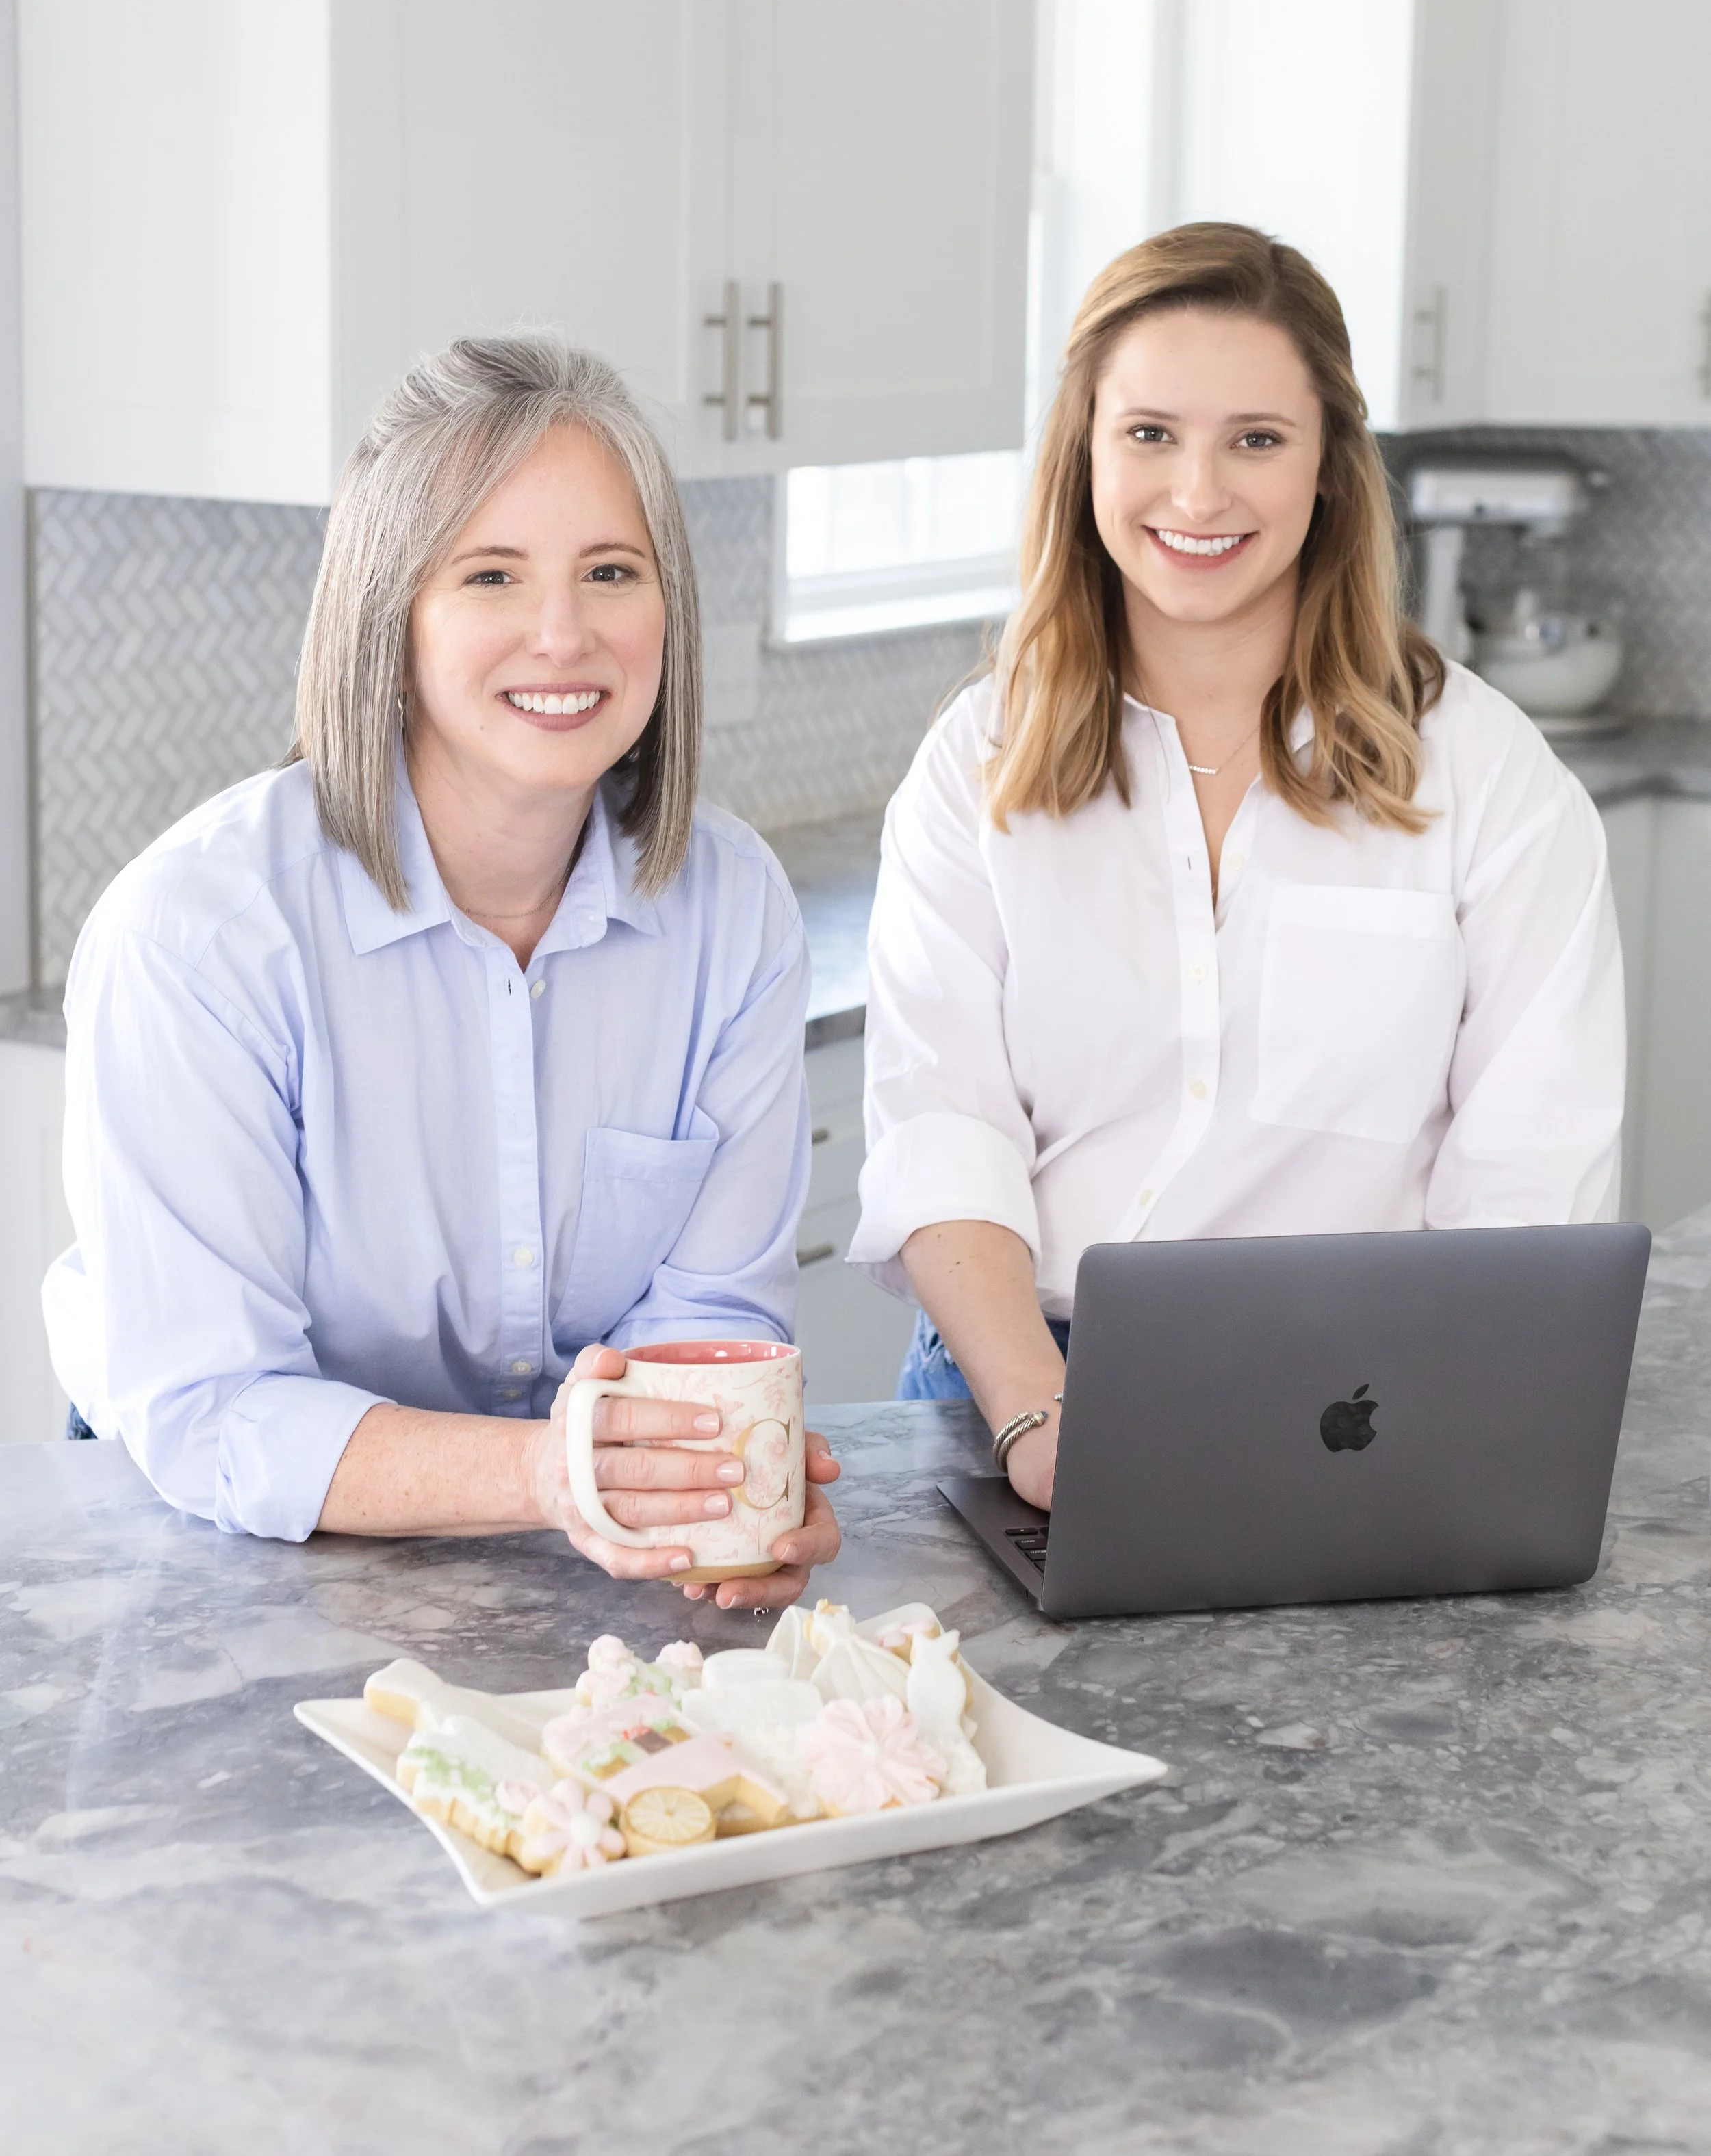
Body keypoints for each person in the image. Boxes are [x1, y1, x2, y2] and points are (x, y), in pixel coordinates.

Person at [45, 336, 840, 1610]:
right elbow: (216, 1411)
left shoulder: (731, 911)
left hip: (575, 1558)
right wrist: (557, 1477)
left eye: (610, 571)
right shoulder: (197, 936)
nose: (563, 631)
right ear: (388, 616)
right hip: (223, 1556)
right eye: (490, 574)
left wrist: (718, 1483)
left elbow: (710, 1323)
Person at [849, 223, 1623, 1509]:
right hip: (1008, 1390)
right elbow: (944, 1126)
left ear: (1328, 467)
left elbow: (1531, 1189)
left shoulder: (1487, 774)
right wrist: (1043, 1420)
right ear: (1085, 454)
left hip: (1358, 1411)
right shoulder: (973, 762)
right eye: (1150, 434)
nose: (1197, 495)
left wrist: (1418, 1445)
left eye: (1256, 439)